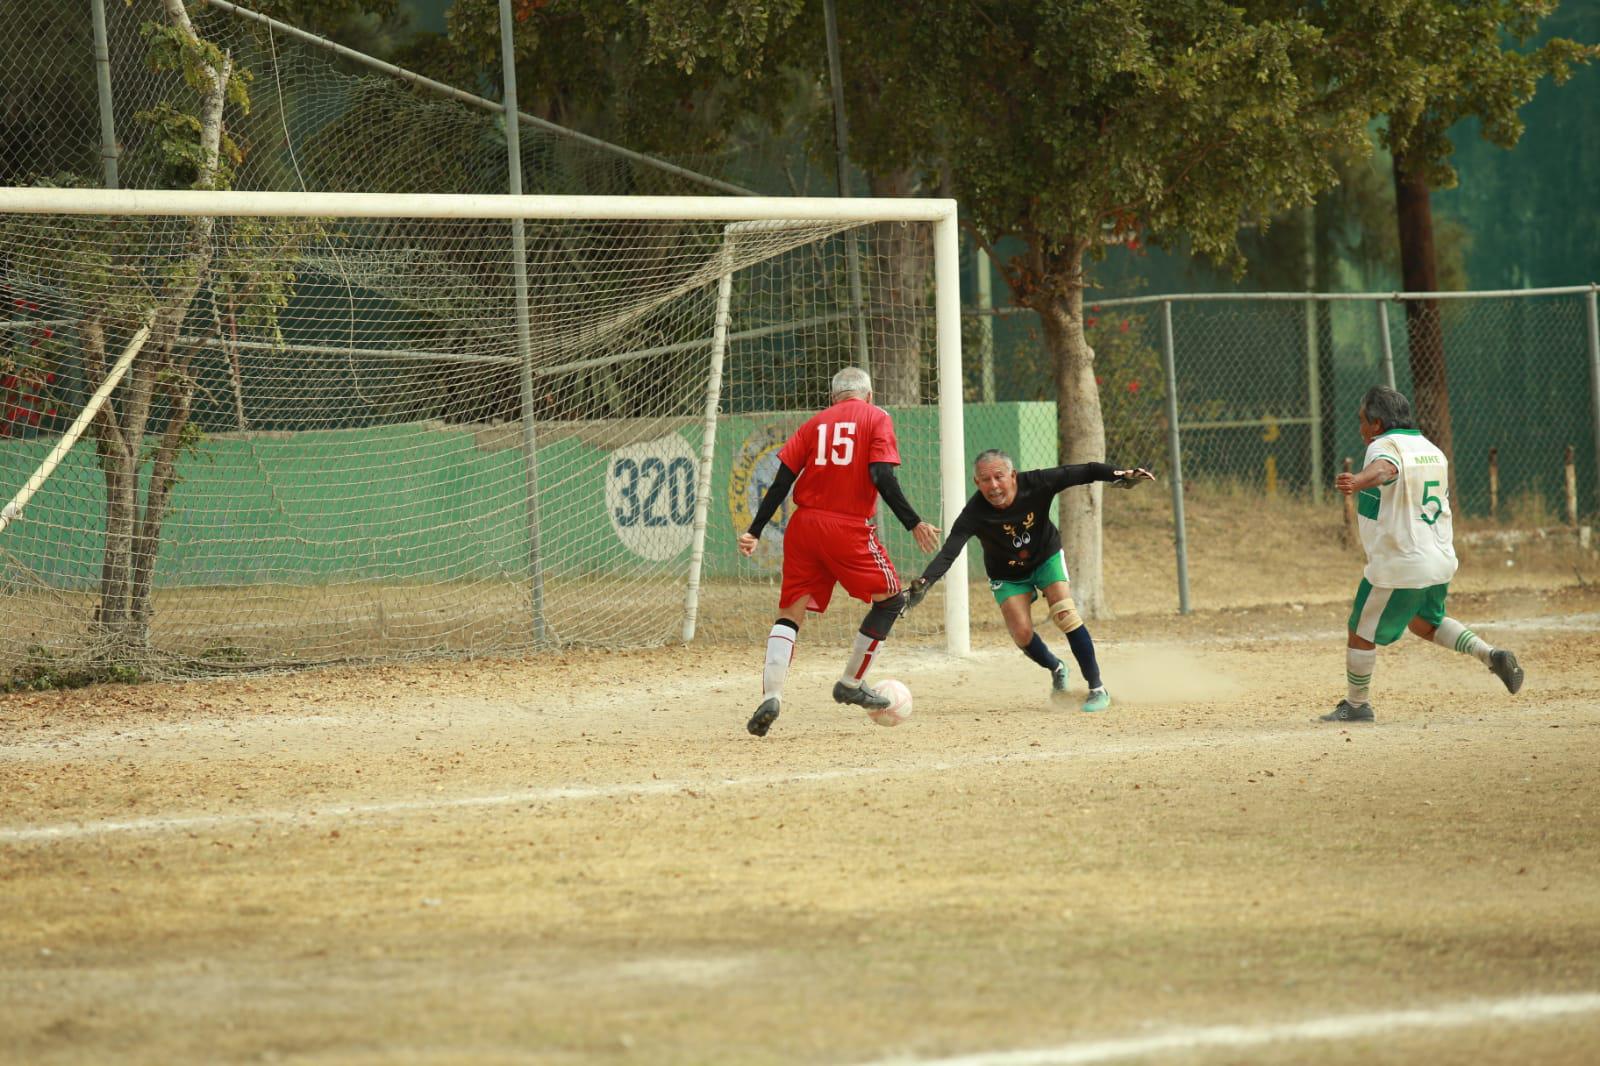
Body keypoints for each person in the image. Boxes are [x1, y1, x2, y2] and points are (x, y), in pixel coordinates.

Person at [737, 366, 941, 737]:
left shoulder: (814, 424)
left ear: (833, 398)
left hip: (803, 527)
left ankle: (772, 696)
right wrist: (913, 522)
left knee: (789, 613)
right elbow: (881, 475)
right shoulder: (877, 418)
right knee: (892, 601)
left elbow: (782, 480)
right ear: (870, 394)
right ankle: (851, 682)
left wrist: (754, 530)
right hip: (847, 527)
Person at [1325, 385, 1524, 722]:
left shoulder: (1383, 446)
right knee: (1424, 622)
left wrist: (1358, 480)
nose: (1361, 428)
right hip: (1439, 557)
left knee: (1360, 630)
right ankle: (1491, 655)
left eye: (1362, 421)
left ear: (1376, 424)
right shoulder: (1430, 448)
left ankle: (1357, 705)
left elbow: (1387, 469)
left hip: (1400, 563)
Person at [904, 448, 1154, 712]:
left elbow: (1085, 471)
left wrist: (1120, 474)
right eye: (985, 480)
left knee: (1065, 613)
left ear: (1013, 476)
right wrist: (924, 582)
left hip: (1045, 556)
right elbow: (948, 553)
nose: (994, 486)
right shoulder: (973, 513)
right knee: (1022, 633)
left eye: (999, 477)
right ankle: (1056, 667)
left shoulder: (1037, 483)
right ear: (977, 483)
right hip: (1006, 574)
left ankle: (1097, 687)